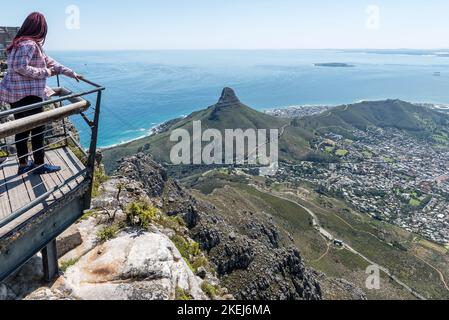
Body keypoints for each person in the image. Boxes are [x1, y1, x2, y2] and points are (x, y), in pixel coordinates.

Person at [0, 12, 83, 175]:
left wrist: (71, 73)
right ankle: (39, 165)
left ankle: (23, 165)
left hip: (16, 96)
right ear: (40, 29)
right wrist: (46, 72)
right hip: (29, 96)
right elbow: (20, 67)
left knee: (22, 130)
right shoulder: (29, 45)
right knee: (38, 130)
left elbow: (51, 62)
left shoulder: (19, 44)